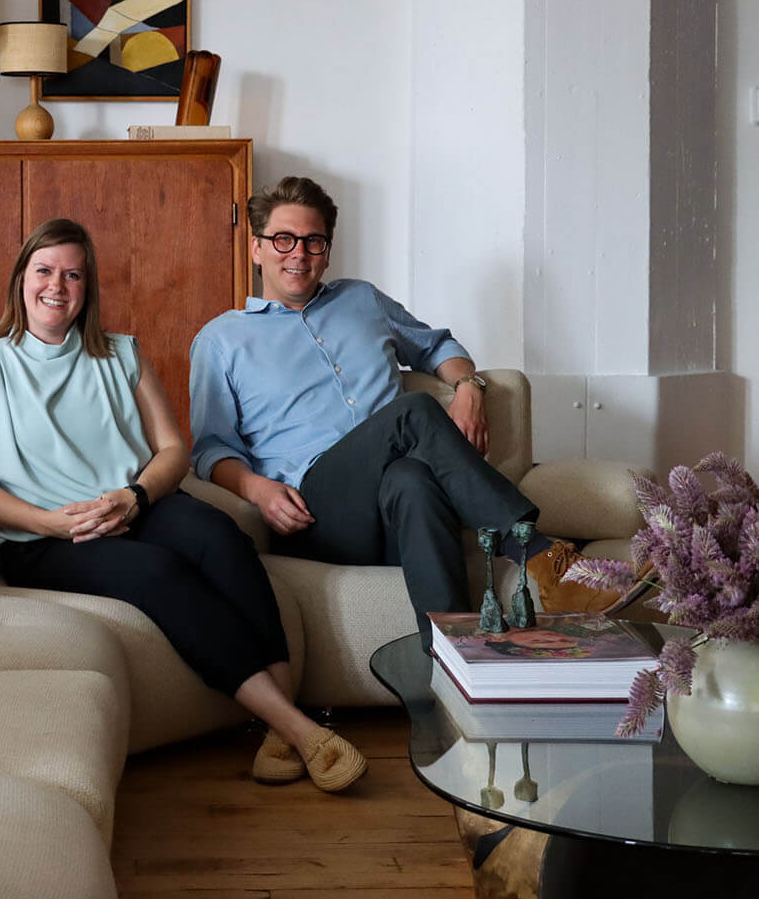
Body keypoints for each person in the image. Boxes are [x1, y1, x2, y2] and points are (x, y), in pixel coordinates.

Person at [0, 217, 367, 792]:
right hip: (44, 537)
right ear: (21, 279)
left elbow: (172, 449)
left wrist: (134, 495)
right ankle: (299, 728)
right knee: (160, 572)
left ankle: (277, 731)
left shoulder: (121, 354)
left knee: (222, 536)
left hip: (135, 504)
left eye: (73, 274)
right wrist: (51, 522)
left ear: (88, 287)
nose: (57, 286)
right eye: (44, 271)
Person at [189, 176, 626, 650]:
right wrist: (258, 489)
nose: (298, 253)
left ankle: (454, 664)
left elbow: (438, 345)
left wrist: (468, 386)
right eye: (283, 239)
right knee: (413, 410)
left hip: (396, 510)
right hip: (316, 512)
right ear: (257, 249)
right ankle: (537, 555)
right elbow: (212, 448)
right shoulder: (221, 341)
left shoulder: (362, 299)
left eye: (314, 241)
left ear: (328, 250)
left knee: (411, 480)